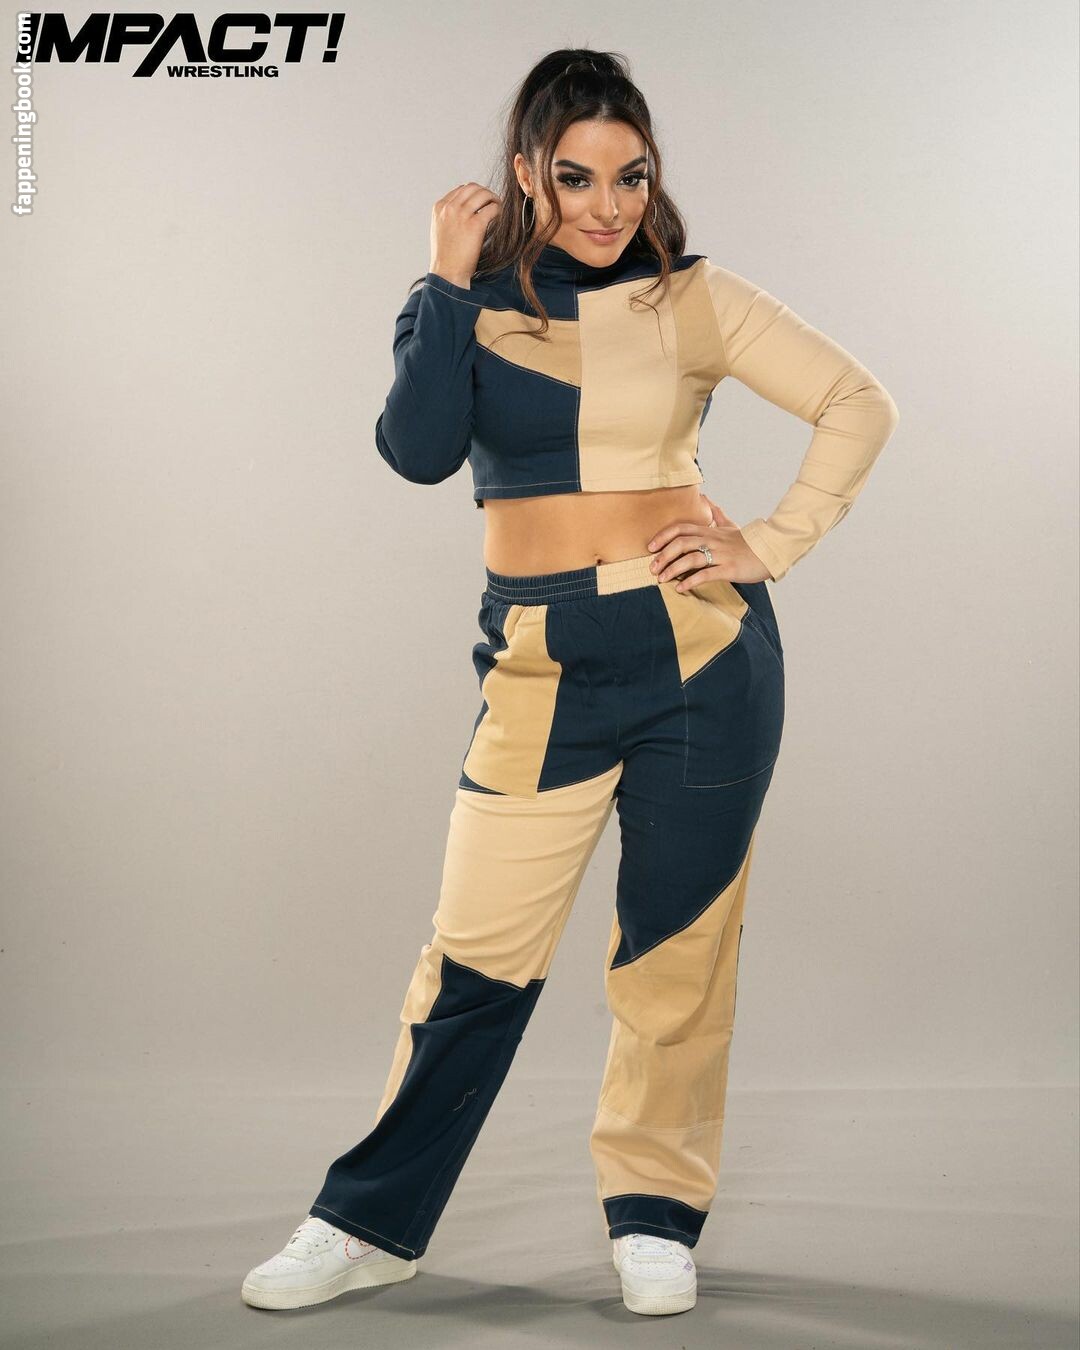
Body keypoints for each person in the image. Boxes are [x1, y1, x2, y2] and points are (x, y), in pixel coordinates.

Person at [241, 47, 899, 1318]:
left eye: (631, 176)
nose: (609, 205)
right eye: (577, 177)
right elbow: (418, 450)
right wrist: (445, 276)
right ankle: (368, 1223)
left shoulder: (696, 297)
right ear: (526, 173)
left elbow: (858, 403)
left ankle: (654, 1215)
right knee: (474, 958)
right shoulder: (462, 305)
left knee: (676, 960)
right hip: (540, 666)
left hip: (700, 655)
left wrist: (768, 543)